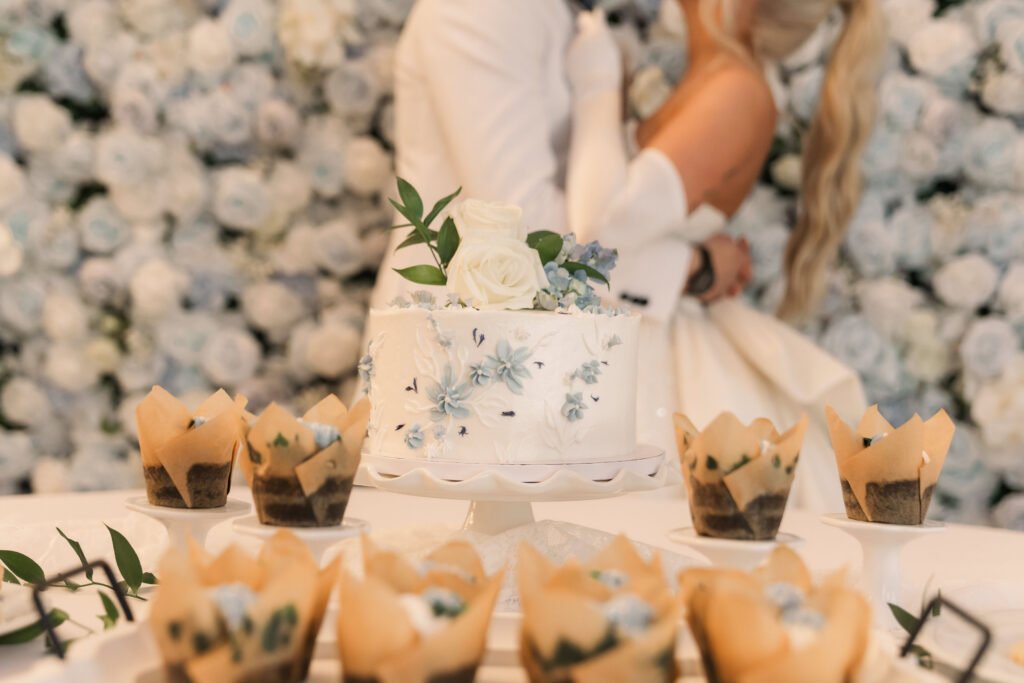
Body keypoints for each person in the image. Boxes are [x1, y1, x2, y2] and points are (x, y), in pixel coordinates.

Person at [372, 0, 884, 510]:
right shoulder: (486, 12)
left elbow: (592, 222)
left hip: (586, 352)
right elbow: (534, 226)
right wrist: (690, 265)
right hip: (466, 359)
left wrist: (600, 91)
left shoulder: (730, 87)